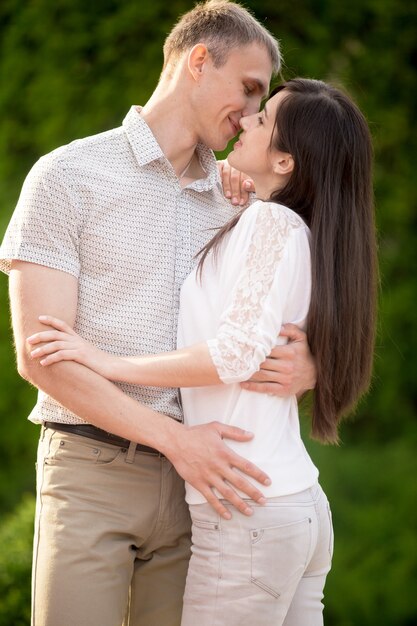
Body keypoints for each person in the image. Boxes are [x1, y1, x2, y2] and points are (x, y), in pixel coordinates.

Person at [0, 2, 316, 625]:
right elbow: (43, 360)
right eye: (249, 90)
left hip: (205, 492)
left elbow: (274, 319)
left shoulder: (239, 202)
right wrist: (177, 441)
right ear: (199, 60)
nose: (254, 115)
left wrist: (309, 361)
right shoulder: (66, 176)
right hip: (91, 471)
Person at [29, 78, 378, 625]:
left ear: (286, 161)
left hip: (245, 506)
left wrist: (105, 360)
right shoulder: (278, 219)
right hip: (289, 504)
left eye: (262, 116)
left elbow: (237, 352)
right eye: (250, 99)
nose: (246, 118)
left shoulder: (268, 221)